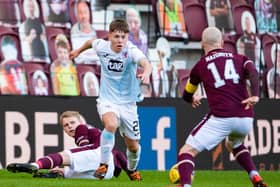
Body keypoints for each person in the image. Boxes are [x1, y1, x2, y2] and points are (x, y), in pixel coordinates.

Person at [175, 27, 267, 187]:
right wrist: (256, 94)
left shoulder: (200, 66)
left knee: (186, 151)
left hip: (222, 117)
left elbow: (186, 94)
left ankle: (185, 185)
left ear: (202, 44)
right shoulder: (240, 58)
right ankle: (255, 176)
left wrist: (191, 99)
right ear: (222, 43)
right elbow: (252, 70)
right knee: (234, 144)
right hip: (245, 117)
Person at [69, 19, 153, 181]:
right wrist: (78, 51)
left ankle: (132, 169)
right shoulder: (102, 46)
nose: (120, 41)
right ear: (110, 36)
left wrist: (147, 72)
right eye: (116, 37)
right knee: (111, 124)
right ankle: (103, 164)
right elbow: (89, 42)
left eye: (123, 37)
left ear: (127, 37)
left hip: (128, 104)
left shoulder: (131, 51)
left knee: (133, 147)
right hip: (108, 100)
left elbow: (145, 63)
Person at [6, 111, 129, 180]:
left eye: (72, 122)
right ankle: (57, 174)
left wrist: (63, 160)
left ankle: (35, 165)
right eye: (66, 125)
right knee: (68, 173)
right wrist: (135, 176)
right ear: (64, 130)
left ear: (81, 122)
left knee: (65, 155)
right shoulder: (99, 135)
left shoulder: (82, 128)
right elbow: (119, 154)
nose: (69, 126)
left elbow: (83, 147)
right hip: (105, 173)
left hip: (97, 156)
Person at [70, 0, 99, 64]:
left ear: (89, 13)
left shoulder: (94, 30)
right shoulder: (74, 30)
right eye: (80, 13)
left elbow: (97, 56)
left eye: (85, 12)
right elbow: (78, 58)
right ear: (76, 15)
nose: (83, 16)